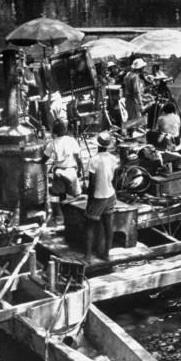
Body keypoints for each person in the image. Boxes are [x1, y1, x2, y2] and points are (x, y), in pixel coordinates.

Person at [85, 132, 120, 262]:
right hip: (110, 194)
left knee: (89, 225)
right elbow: (115, 180)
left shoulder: (93, 160)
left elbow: (92, 184)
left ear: (98, 146)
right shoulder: (113, 159)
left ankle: (88, 256)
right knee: (108, 225)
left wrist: (89, 201)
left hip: (98, 196)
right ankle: (106, 254)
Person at [43, 119, 84, 214]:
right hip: (71, 171)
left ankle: (59, 214)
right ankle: (73, 214)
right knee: (77, 196)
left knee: (57, 195)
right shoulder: (71, 140)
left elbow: (43, 159)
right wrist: (79, 170)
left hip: (58, 172)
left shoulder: (52, 143)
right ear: (65, 130)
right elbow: (78, 158)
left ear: (54, 131)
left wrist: (32, 160)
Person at [123, 58, 146, 124]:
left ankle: (129, 132)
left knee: (130, 118)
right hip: (133, 101)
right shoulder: (135, 77)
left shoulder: (128, 74)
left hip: (128, 100)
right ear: (140, 68)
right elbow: (137, 92)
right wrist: (141, 104)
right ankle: (132, 132)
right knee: (135, 121)